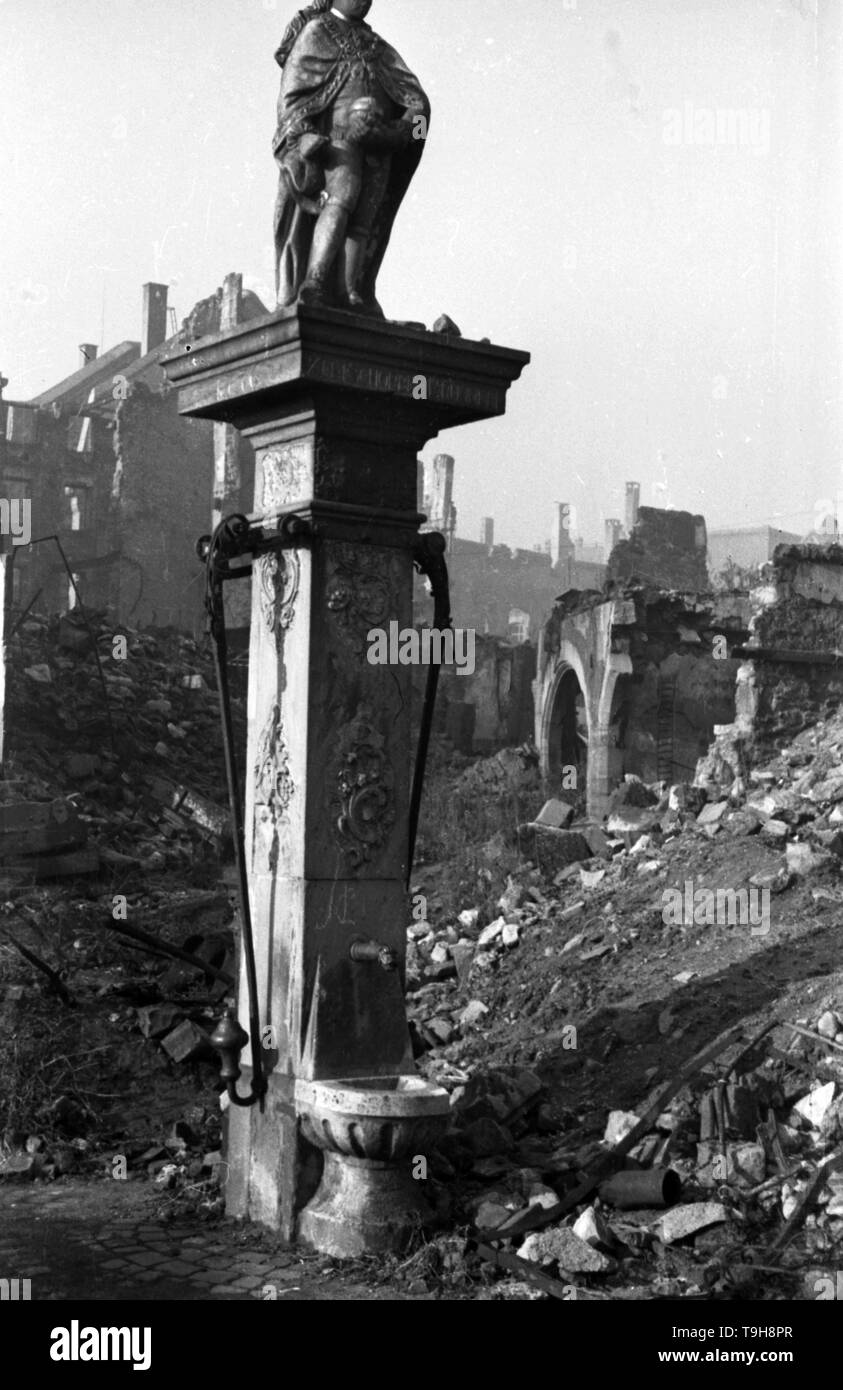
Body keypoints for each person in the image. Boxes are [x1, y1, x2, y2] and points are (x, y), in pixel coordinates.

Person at [272, 0, 430, 315]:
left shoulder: (380, 48)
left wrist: (401, 132)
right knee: (341, 199)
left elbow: (421, 108)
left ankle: (352, 291)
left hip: (379, 144)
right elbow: (290, 97)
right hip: (337, 144)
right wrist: (302, 134)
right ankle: (314, 282)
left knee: (365, 220)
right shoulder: (317, 32)